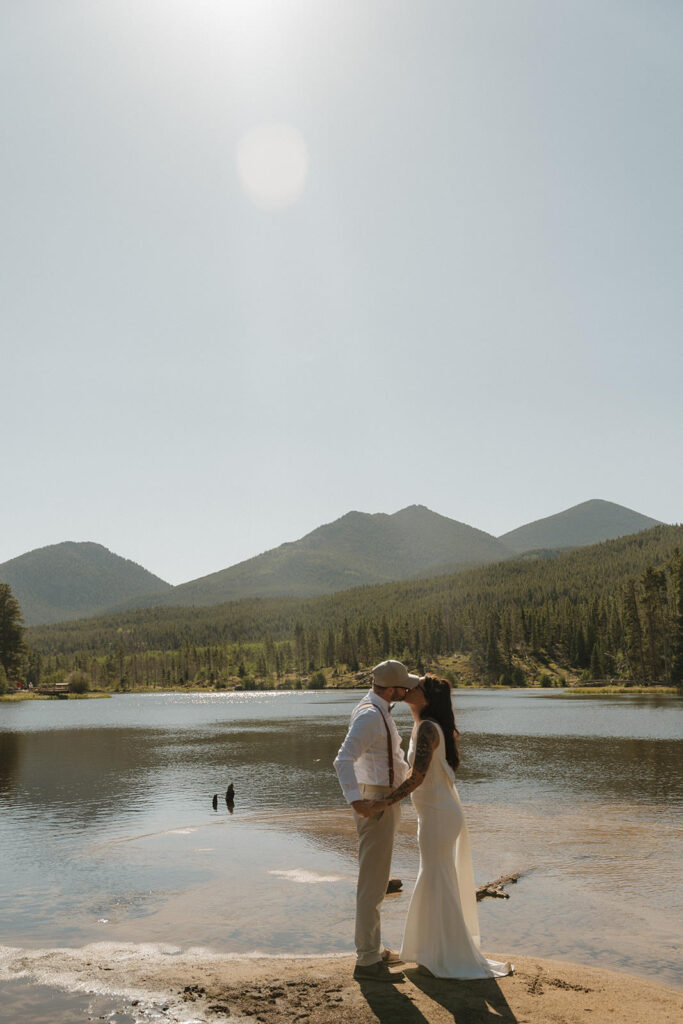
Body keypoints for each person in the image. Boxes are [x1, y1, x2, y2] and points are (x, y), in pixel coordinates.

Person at [368, 673, 513, 979]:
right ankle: (435, 950)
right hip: (434, 814)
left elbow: (417, 777)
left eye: (416, 686)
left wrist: (383, 803)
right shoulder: (425, 725)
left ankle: (447, 953)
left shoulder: (428, 729)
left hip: (437, 815)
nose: (410, 688)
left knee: (436, 877)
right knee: (436, 877)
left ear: (427, 697)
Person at [333, 659, 422, 983]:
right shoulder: (371, 714)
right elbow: (342, 759)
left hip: (383, 797)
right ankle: (367, 961)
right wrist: (357, 801)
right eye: (405, 685)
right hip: (376, 799)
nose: (409, 689)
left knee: (377, 876)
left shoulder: (377, 708)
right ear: (393, 689)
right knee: (372, 881)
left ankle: (374, 948)